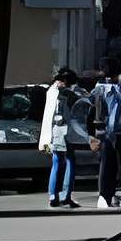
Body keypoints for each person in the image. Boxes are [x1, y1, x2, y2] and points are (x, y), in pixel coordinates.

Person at [91, 63, 121, 210]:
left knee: (106, 165)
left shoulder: (98, 89)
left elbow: (93, 112)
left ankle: (104, 196)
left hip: (104, 131)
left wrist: (93, 132)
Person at [39, 68, 81, 209]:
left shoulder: (51, 91)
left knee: (56, 163)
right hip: (64, 132)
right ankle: (65, 196)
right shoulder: (64, 93)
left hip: (51, 133)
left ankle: (53, 195)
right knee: (69, 161)